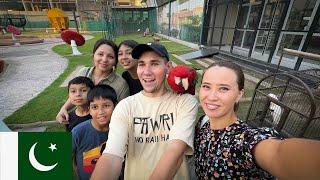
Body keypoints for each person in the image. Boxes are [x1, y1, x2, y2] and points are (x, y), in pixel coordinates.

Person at [194, 61, 320, 179]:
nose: (211, 96)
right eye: (206, 86)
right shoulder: (203, 122)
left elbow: (277, 153)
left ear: (239, 94)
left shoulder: (243, 141)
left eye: (224, 88)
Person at [91, 42, 199, 180]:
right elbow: (112, 155)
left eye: (154, 64)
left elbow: (176, 151)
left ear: (168, 67)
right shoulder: (125, 106)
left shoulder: (184, 102)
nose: (146, 72)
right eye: (141, 64)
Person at [56, 39, 129, 124]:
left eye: (110, 56)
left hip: (105, 127)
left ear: (115, 61)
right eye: (100, 54)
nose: (104, 59)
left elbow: (122, 113)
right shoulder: (83, 72)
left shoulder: (121, 84)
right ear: (93, 56)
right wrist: (64, 108)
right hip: (80, 120)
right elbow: (76, 94)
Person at [72, 84, 117, 180]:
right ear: (89, 110)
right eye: (95, 107)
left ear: (115, 106)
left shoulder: (121, 130)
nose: (101, 112)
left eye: (106, 105)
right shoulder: (78, 132)